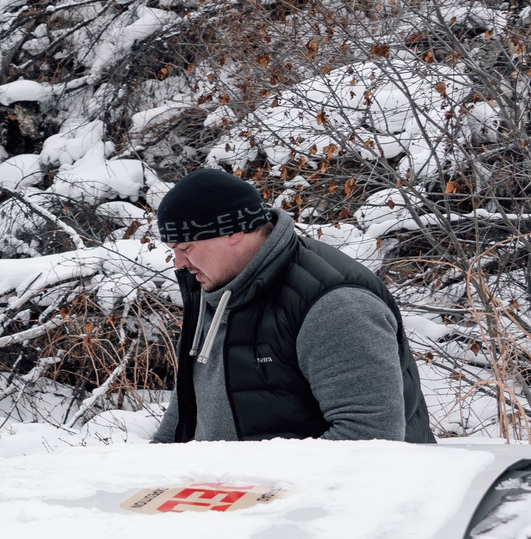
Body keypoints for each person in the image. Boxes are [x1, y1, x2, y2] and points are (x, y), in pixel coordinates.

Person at [149, 169, 434, 444]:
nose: (180, 264)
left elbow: (369, 435)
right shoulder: (218, 291)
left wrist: (255, 477)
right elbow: (186, 410)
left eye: (185, 248)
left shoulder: (335, 305)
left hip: (341, 479)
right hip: (242, 478)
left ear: (233, 232)